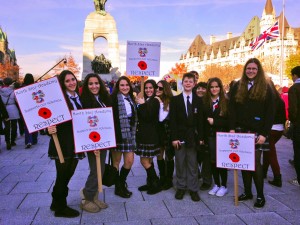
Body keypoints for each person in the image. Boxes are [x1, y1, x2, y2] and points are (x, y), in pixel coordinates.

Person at [229, 58, 275, 208]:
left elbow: (270, 112)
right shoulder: (237, 86)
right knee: (243, 163)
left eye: (254, 69)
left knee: (255, 163)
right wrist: (232, 128)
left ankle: (260, 195)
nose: (251, 71)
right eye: (248, 68)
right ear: (245, 70)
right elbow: (232, 109)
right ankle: (248, 192)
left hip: (258, 131)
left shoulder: (266, 87)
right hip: (240, 130)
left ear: (258, 70)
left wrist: (264, 133)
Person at [47, 70, 85, 218]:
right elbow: (47, 117)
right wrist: (48, 129)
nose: (71, 83)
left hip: (76, 141)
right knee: (62, 174)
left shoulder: (79, 98)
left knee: (69, 173)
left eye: (73, 79)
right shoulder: (59, 100)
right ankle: (60, 207)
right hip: (62, 141)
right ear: (63, 84)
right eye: (67, 81)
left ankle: (56, 200)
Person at [169, 72, 204, 202]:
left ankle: (193, 189)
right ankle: (181, 187)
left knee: (192, 163)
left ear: (194, 84)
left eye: (191, 81)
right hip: (179, 136)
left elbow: (200, 121)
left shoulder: (198, 100)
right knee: (180, 162)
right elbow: (172, 121)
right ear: (182, 83)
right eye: (186, 81)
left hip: (193, 137)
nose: (188, 83)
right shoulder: (175, 100)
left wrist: (200, 137)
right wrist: (174, 138)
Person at [79, 73, 111, 213]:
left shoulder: (104, 98)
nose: (94, 86)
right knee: (95, 169)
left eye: (96, 83)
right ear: (86, 86)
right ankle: (86, 196)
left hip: (103, 139)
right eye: (90, 84)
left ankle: (95, 196)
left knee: (101, 169)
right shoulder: (84, 100)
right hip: (92, 140)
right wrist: (92, 144)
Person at [111, 76, 137, 198]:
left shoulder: (131, 98)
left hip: (130, 134)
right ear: (118, 87)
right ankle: (118, 187)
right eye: (122, 85)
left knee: (129, 161)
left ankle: (121, 182)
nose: (125, 87)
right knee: (116, 162)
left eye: (127, 85)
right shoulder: (113, 99)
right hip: (117, 135)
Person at [203, 77, 229, 197]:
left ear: (220, 87)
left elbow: (230, 121)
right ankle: (217, 184)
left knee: (222, 161)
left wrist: (215, 122)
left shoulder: (226, 101)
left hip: (222, 136)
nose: (214, 89)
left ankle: (224, 185)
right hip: (209, 136)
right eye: (212, 87)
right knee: (212, 161)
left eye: (216, 87)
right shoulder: (205, 101)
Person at [135, 80, 162, 195]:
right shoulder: (147, 100)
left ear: (155, 88)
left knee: (144, 161)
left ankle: (156, 183)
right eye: (146, 88)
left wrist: (142, 105)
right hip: (144, 134)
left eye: (151, 88)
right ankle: (150, 182)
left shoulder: (155, 100)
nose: (148, 90)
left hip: (149, 135)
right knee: (149, 160)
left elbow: (148, 116)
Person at [263, 81, 285, 187]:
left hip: (270, 129)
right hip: (279, 129)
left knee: (271, 154)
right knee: (268, 150)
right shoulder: (280, 100)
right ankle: (263, 172)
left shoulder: (268, 101)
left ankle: (277, 177)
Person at [155, 80, 174, 190]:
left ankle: (169, 179)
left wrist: (159, 101)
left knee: (169, 156)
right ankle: (162, 177)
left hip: (168, 131)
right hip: (158, 131)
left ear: (165, 89)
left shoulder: (169, 101)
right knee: (159, 155)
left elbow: (162, 118)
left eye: (161, 88)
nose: (158, 89)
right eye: (156, 87)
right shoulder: (154, 100)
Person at [288, 66, 300, 187]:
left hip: (298, 125)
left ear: (295, 75)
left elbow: (293, 109)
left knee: (298, 152)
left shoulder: (294, 88)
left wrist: (293, 121)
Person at [0, 77, 20, 150]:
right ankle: (12, 140)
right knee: (14, 125)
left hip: (3, 109)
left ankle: (7, 141)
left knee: (7, 126)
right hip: (12, 108)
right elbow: (17, 100)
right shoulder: (13, 91)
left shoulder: (0, 90)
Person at [22, 73, 38, 149]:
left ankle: (28, 140)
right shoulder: (34, 87)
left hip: (25, 108)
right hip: (34, 107)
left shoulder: (21, 88)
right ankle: (34, 139)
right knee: (34, 123)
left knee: (27, 125)